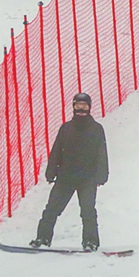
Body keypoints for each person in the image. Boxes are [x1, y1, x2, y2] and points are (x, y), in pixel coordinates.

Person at [30, 92, 109, 251]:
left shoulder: (96, 129)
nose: (81, 109)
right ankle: (43, 238)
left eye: (84, 106)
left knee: (88, 212)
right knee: (52, 209)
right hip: (65, 177)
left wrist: (102, 174)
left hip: (87, 178)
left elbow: (102, 153)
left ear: (89, 108)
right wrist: (51, 171)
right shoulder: (66, 128)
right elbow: (57, 150)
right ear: (73, 107)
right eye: (78, 105)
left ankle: (90, 242)